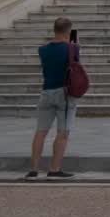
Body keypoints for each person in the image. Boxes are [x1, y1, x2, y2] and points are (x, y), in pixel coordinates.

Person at [28, 17, 79, 179]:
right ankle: (55, 169)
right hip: (64, 94)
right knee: (63, 132)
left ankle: (34, 169)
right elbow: (76, 68)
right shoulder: (72, 49)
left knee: (40, 132)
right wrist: (76, 46)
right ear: (68, 31)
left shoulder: (42, 49)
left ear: (54, 29)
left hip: (46, 92)